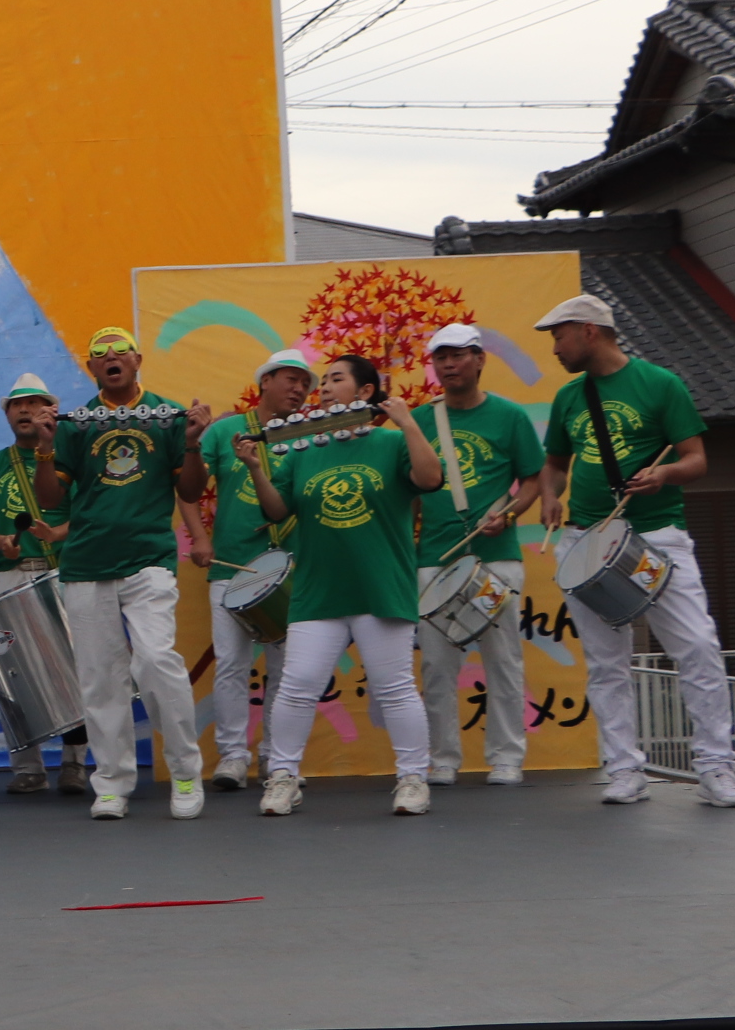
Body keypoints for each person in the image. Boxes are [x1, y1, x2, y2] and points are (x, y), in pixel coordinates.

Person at [533, 293, 735, 809]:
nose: (555, 348)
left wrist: (664, 473)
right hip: (587, 537)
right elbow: (555, 463)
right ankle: (624, 768)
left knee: (697, 646)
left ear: (588, 331)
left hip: (657, 534)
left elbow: (696, 459)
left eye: (559, 336)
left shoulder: (661, 384)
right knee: (606, 663)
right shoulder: (569, 397)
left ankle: (716, 766)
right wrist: (549, 495)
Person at [239, 355, 445, 814]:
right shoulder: (304, 450)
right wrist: (255, 468)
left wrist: (408, 423)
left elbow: (431, 478)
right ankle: (283, 776)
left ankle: (413, 779)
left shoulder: (391, 443)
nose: (325, 388)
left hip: (380, 586)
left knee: (394, 687)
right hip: (319, 589)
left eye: (337, 379)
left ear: (366, 391)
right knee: (297, 684)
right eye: (325, 382)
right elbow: (277, 510)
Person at [32, 328, 214, 820]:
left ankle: (185, 771)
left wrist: (192, 444)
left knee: (156, 662)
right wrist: (46, 446)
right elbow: (50, 499)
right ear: (92, 367)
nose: (110, 357)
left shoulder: (167, 415)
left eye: (120, 351)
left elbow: (191, 491)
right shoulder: (76, 424)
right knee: (100, 679)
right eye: (100, 353)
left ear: (137, 360)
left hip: (147, 560)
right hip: (86, 564)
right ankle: (112, 782)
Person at [412, 323, 546, 788]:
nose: (449, 365)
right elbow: (408, 489)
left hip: (496, 557)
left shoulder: (509, 416)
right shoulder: (419, 420)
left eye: (458, 355)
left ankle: (507, 756)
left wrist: (508, 515)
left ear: (480, 359)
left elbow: (533, 479)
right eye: (440, 357)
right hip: (434, 555)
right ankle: (442, 758)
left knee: (502, 659)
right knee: (436, 664)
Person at [0, 372, 87, 796]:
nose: (26, 410)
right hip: (8, 576)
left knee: (73, 669)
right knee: (10, 671)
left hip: (60, 573)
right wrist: (0, 541)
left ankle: (74, 763)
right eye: (17, 404)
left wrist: (57, 533)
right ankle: (28, 767)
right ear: (8, 415)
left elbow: (87, 515)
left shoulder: (68, 460)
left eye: (34, 403)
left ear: (51, 411)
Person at [195, 349, 313, 791]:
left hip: (291, 569)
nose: (299, 389)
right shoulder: (224, 431)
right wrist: (200, 538)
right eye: (291, 380)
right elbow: (187, 490)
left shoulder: (308, 437)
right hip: (231, 565)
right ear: (265, 381)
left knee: (286, 668)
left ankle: (274, 757)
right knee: (231, 663)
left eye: (305, 384)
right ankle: (232, 756)